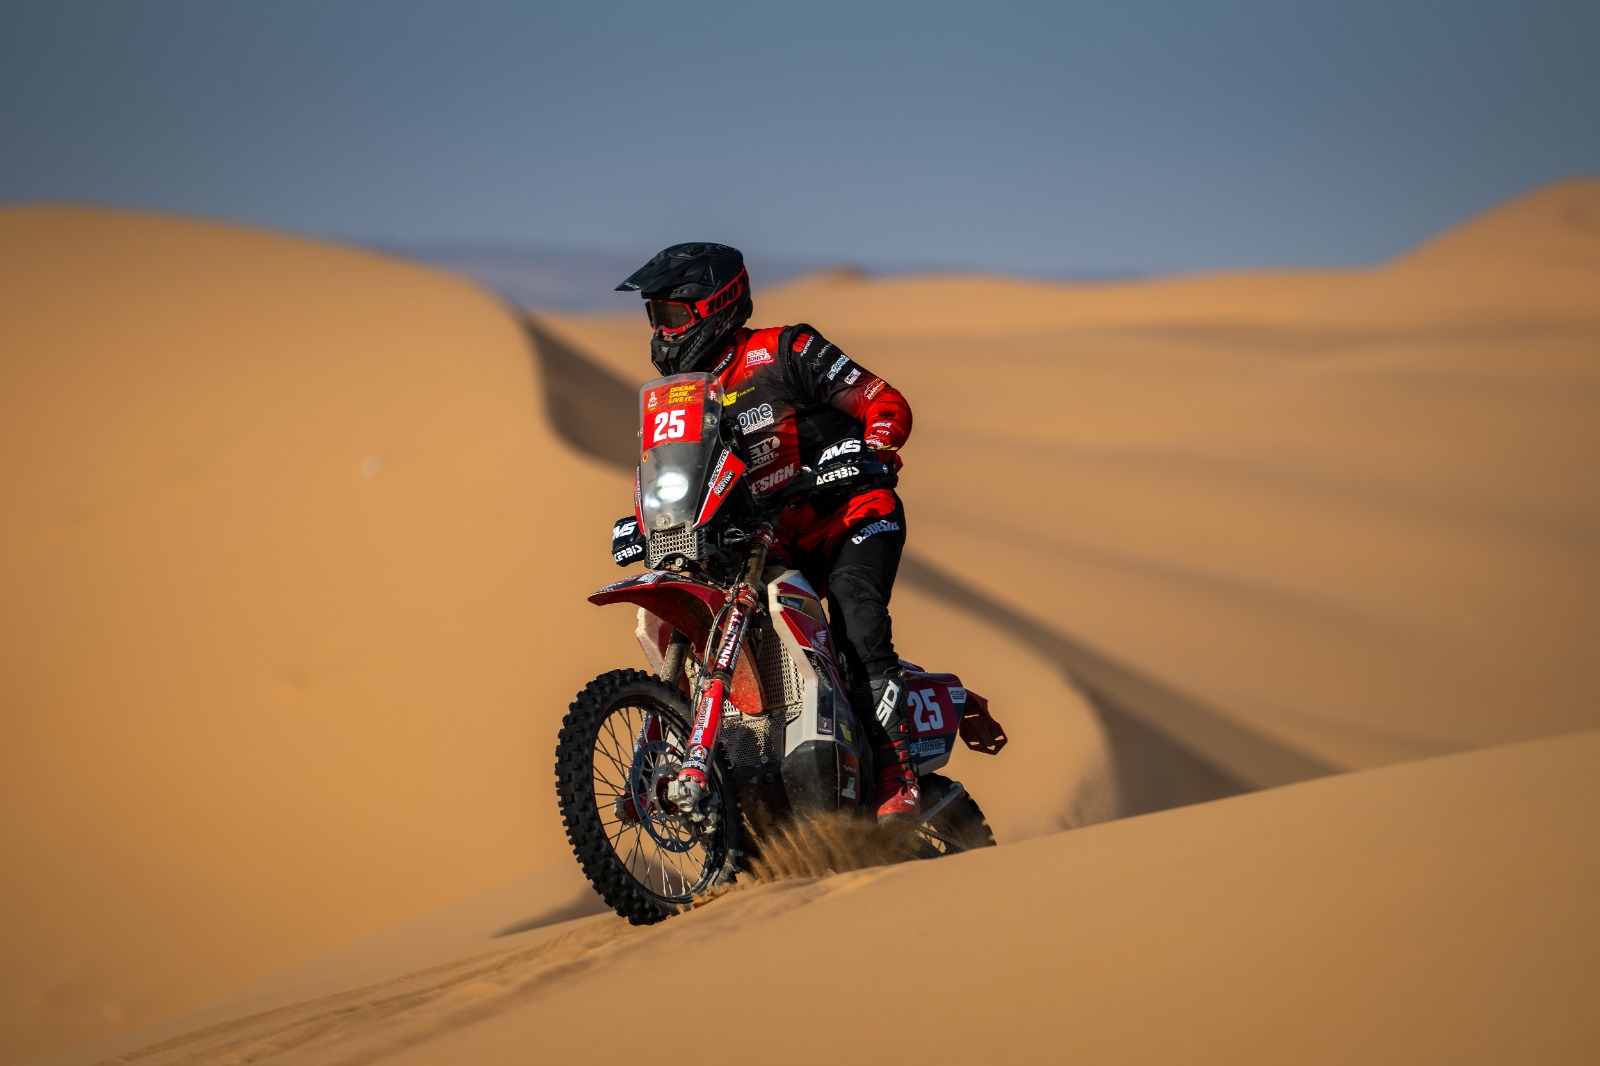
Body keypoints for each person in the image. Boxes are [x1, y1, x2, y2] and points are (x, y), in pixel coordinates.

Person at [611, 242, 920, 819]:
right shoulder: (684, 396)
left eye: (672, 316)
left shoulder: (786, 349)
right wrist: (646, 520)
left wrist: (871, 448)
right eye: (654, 317)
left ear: (719, 305)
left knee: (857, 623)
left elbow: (884, 401)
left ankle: (898, 776)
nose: (662, 331)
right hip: (764, 541)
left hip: (848, 513)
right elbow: (675, 474)